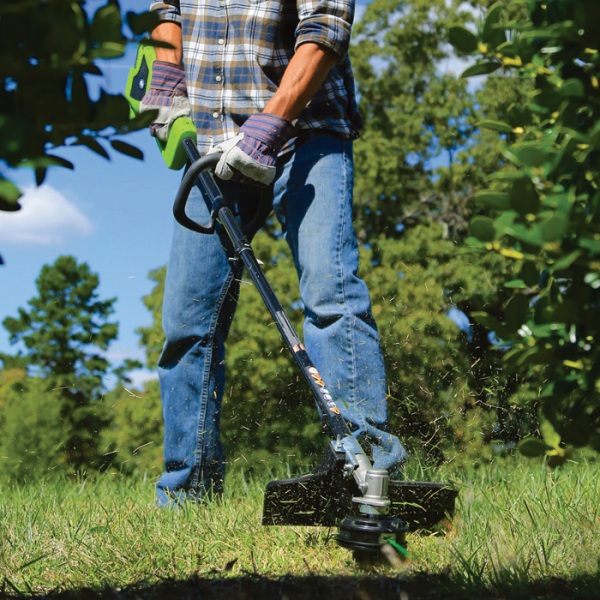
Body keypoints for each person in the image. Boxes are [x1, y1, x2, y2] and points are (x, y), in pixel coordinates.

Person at [141, 0, 406, 506]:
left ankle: (366, 469)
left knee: (331, 292)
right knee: (187, 326)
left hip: (303, 133)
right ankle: (186, 495)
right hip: (212, 144)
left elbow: (326, 25)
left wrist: (272, 120)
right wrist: (168, 70)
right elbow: (166, 10)